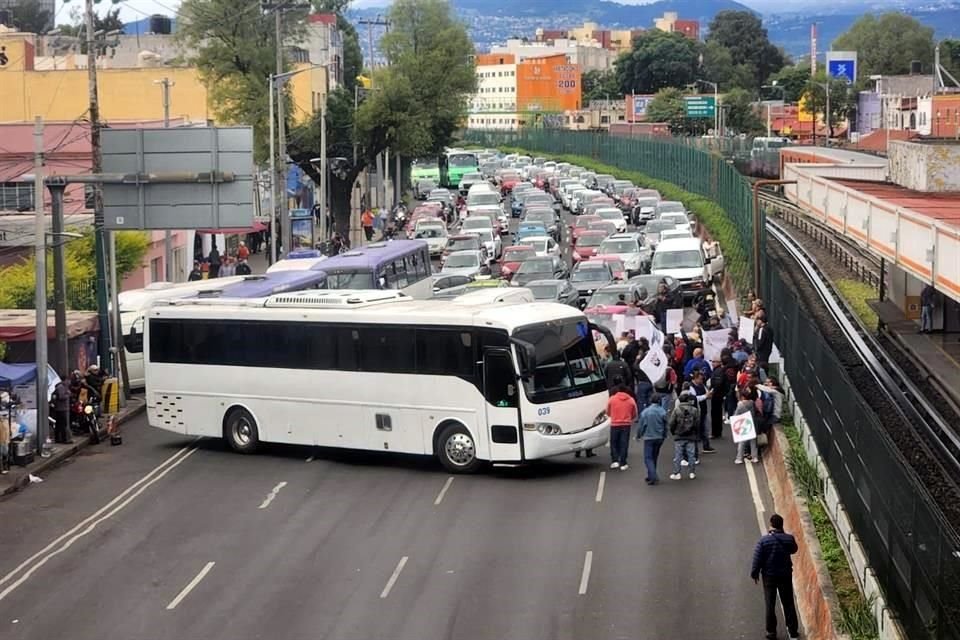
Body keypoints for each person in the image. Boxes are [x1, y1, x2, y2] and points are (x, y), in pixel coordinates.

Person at [751, 513, 800, 640]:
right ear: (781, 525)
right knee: (788, 603)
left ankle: (771, 632)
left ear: (771, 524)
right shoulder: (788, 539)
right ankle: (793, 631)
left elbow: (757, 559)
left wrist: (754, 573)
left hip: (769, 577)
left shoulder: (763, 541)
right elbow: (794, 549)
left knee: (770, 604)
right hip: (785, 575)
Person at [669, 389, 700, 480]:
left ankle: (677, 473)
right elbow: (697, 422)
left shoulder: (677, 410)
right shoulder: (694, 410)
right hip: (691, 435)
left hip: (679, 435)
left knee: (678, 455)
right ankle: (692, 472)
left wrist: (673, 432)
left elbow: (672, 422)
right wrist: (696, 432)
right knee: (691, 455)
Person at [637, 393, 667, 484]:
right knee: (654, 456)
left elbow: (641, 426)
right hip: (659, 437)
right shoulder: (663, 411)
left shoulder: (645, 412)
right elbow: (666, 425)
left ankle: (653, 476)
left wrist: (638, 435)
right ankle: (651, 475)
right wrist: (665, 435)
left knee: (648, 458)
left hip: (649, 437)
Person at [607, 383, 637, 471]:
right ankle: (623, 463)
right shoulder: (631, 400)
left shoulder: (612, 399)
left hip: (615, 424)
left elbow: (607, 411)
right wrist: (630, 418)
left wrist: (612, 416)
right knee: (624, 443)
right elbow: (635, 412)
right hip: (626, 424)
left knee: (614, 442)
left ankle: (615, 460)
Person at [691, 370, 714, 454]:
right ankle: (694, 450)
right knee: (696, 431)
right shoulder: (691, 387)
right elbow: (694, 398)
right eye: (700, 379)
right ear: (695, 378)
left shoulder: (702, 385)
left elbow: (706, 393)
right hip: (696, 412)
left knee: (705, 430)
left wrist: (709, 395)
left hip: (703, 410)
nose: (701, 381)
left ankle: (706, 446)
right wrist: (705, 396)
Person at [734, 388, 759, 464]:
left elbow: (736, 415)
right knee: (753, 442)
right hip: (752, 423)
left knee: (742, 442)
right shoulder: (752, 402)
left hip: (743, 424)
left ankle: (739, 458)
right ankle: (755, 457)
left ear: (743, 397)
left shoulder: (740, 404)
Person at [51, 377, 73, 444]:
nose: (69, 382)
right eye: (68, 380)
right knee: (63, 424)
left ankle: (58, 439)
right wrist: (68, 394)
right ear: (65, 380)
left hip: (61, 408)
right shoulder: (61, 387)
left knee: (59, 424)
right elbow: (61, 397)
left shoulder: (63, 387)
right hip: (61, 408)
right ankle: (64, 439)